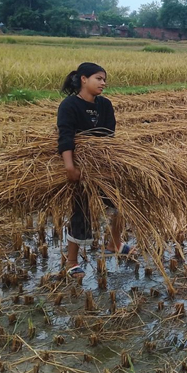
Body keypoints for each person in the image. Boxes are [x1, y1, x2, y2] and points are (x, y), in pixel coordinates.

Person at [57, 62, 130, 279]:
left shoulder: (105, 105)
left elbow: (108, 137)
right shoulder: (69, 105)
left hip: (103, 165)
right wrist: (70, 167)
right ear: (83, 79)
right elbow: (66, 137)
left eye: (104, 79)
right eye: (99, 78)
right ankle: (71, 261)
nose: (103, 83)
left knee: (120, 202)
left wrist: (108, 164)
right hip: (79, 167)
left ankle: (115, 243)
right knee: (81, 210)